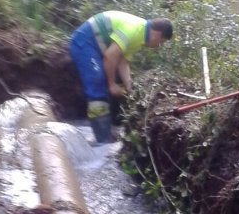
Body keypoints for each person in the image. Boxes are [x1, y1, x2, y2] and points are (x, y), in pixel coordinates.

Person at [69, 10, 173, 143]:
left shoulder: (140, 36)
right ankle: (102, 140)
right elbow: (110, 56)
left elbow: (122, 61)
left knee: (103, 80)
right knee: (97, 81)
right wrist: (112, 85)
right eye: (161, 42)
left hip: (94, 46)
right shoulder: (134, 29)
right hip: (84, 43)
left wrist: (129, 86)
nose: (158, 46)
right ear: (157, 35)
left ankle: (104, 133)